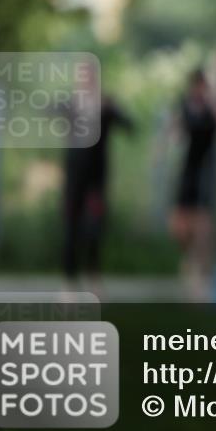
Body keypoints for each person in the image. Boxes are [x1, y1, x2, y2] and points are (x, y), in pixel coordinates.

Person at [61, 64, 133, 294]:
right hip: (74, 179)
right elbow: (47, 109)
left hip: (96, 181)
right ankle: (69, 283)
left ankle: (93, 278)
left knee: (94, 230)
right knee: (71, 229)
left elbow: (129, 125)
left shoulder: (106, 108)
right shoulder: (71, 105)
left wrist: (110, 106)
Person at [168, 68, 216, 302]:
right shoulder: (184, 106)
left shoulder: (212, 108)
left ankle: (201, 274)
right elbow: (174, 132)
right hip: (187, 170)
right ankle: (188, 259)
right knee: (180, 225)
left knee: (203, 225)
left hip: (206, 171)